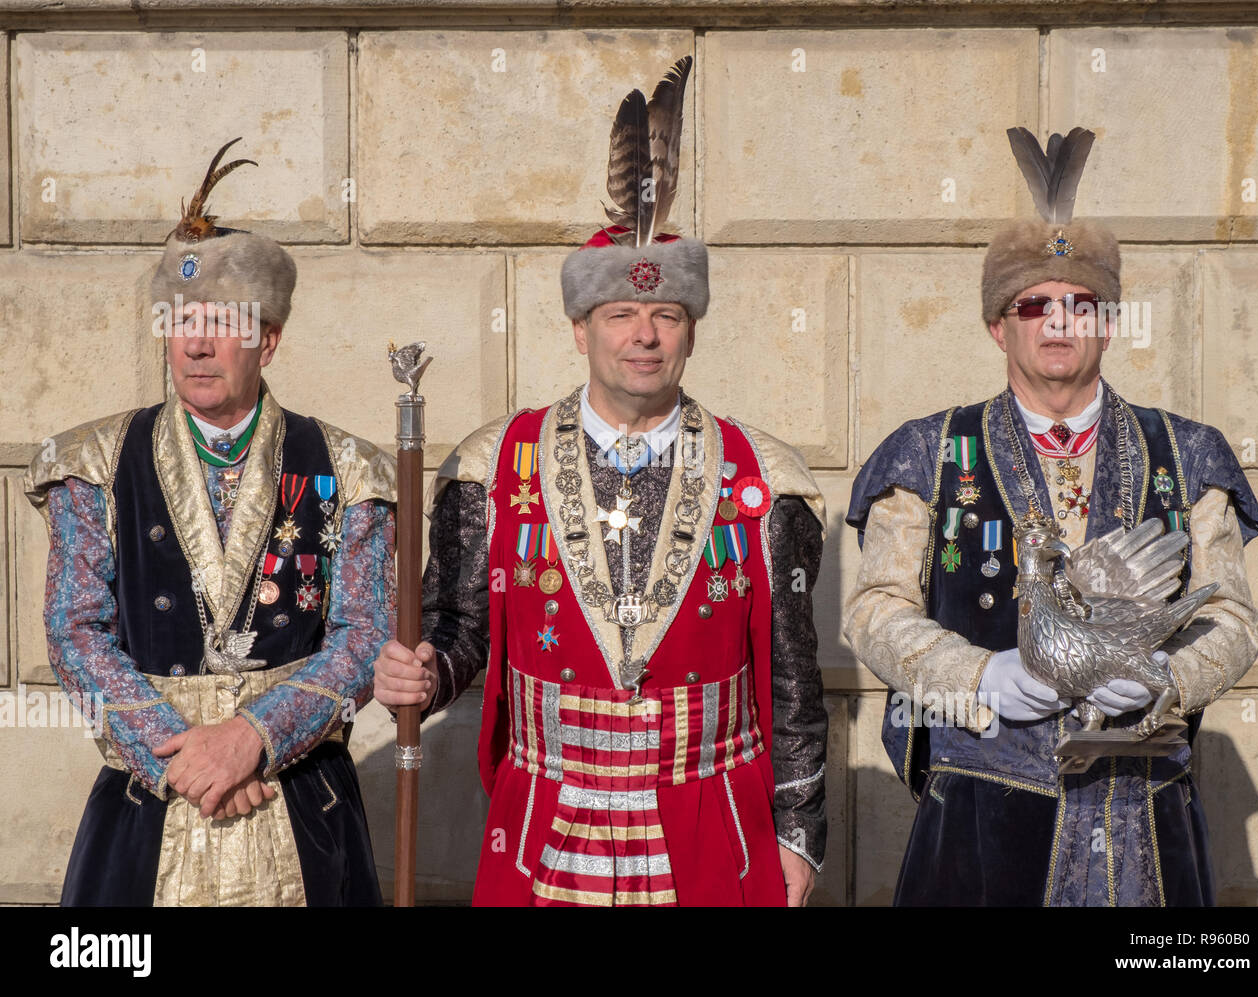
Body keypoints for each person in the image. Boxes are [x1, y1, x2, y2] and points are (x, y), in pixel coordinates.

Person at [374, 58, 829, 906]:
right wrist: (423, 671)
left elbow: (795, 680)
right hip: (546, 814)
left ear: (690, 331)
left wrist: (799, 833)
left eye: (666, 316)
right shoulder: (492, 467)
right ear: (581, 329)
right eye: (621, 315)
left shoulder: (766, 479)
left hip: (712, 817)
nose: (644, 336)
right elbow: (459, 627)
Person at [843, 127, 1258, 906]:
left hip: (1144, 809)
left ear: (1108, 321)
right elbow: (873, 612)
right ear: (998, 325)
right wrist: (980, 677)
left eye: (1082, 304)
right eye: (1034, 304)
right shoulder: (928, 451)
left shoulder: (1188, 452)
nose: (1060, 322)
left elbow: (1234, 619)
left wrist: (1165, 679)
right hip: (982, 818)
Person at [24, 139, 396, 906]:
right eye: (182, 319)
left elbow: (363, 635)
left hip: (297, 799)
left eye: (221, 322)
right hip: (148, 800)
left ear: (268, 338)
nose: (195, 343)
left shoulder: (346, 465)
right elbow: (74, 629)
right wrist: (182, 759)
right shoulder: (91, 461)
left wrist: (251, 738)